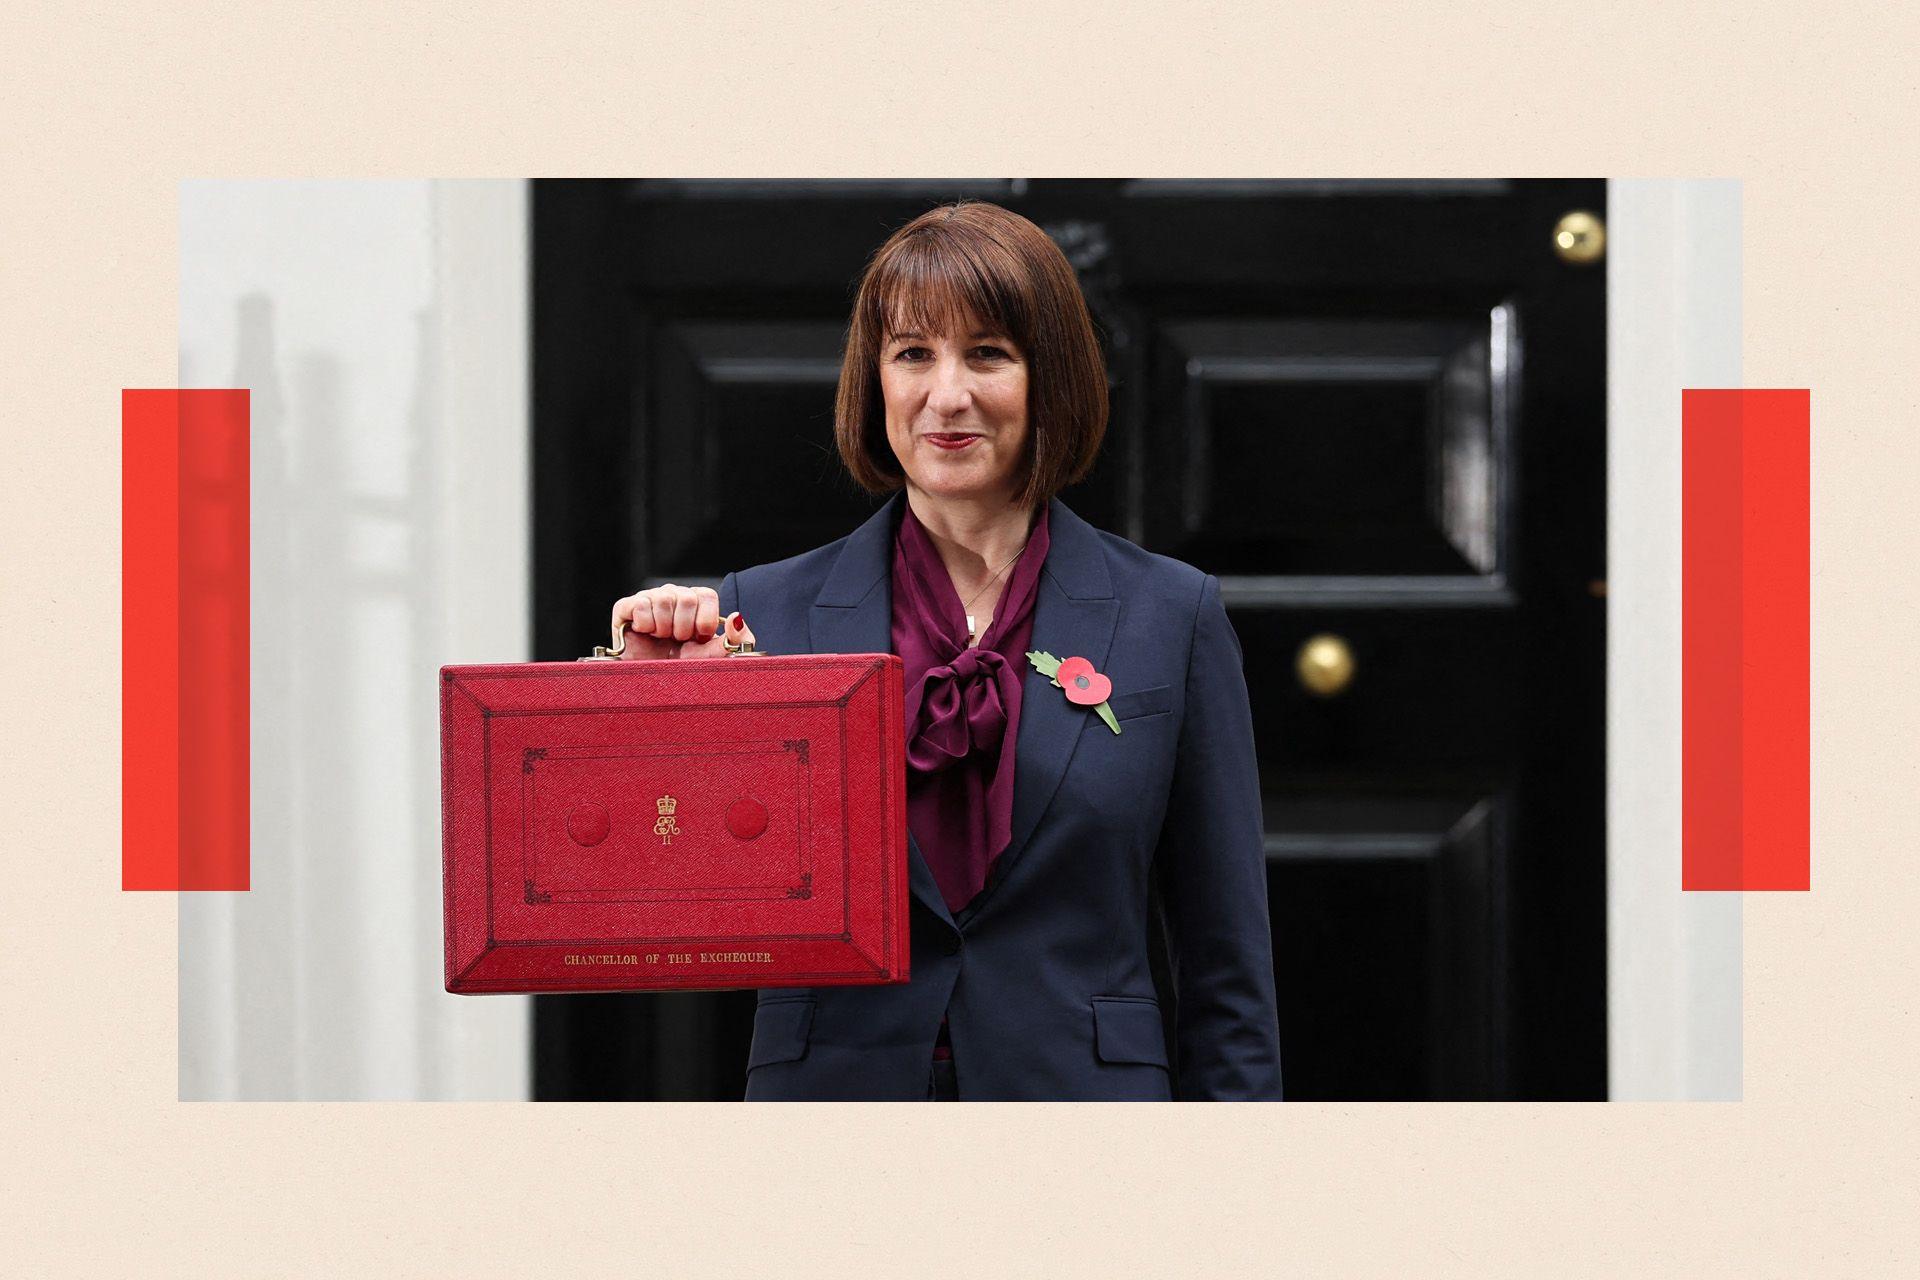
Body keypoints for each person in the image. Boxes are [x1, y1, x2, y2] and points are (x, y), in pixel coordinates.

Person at [610, 200, 1282, 1101]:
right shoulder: (756, 616)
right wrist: (646, 704)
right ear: (874, 379)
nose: (948, 395)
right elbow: (657, 896)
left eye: (990, 354)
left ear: (1052, 379)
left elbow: (1225, 960)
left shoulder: (1171, 613)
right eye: (914, 353)